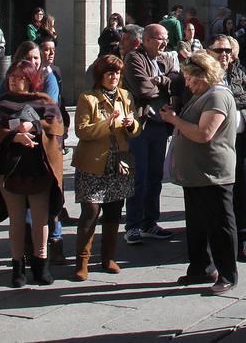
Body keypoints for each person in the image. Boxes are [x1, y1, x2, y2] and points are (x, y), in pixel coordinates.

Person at [0, 59, 66, 287]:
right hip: (10, 169)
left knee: (40, 219)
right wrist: (13, 136)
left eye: (21, 78)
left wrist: (33, 127)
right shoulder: (3, 103)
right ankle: (17, 266)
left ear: (31, 79)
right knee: (16, 219)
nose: (15, 82)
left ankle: (41, 264)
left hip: (38, 167)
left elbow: (55, 126)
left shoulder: (44, 101)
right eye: (12, 77)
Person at [158, 51, 239, 295]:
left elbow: (204, 134)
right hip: (195, 173)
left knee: (219, 225)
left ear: (205, 75)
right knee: (197, 225)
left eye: (192, 79)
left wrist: (174, 120)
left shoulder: (217, 96)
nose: (188, 84)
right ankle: (201, 267)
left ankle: (227, 273)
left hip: (213, 173)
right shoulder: (202, 94)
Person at [72, 54, 140, 280]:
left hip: (119, 162)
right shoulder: (87, 98)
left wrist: (132, 125)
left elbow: (135, 128)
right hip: (93, 163)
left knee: (113, 211)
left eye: (117, 73)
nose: (114, 77)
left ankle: (108, 257)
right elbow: (82, 131)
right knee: (90, 211)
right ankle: (82, 261)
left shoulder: (125, 96)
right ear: (100, 75)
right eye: (109, 73)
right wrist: (108, 124)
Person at [123, 23, 175, 245]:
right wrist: (164, 85)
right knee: (139, 176)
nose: (164, 43)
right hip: (140, 125)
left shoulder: (163, 60)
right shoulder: (134, 58)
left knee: (155, 176)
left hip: (160, 124)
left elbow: (177, 83)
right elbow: (142, 89)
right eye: (159, 38)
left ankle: (150, 222)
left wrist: (161, 81)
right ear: (146, 40)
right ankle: (133, 225)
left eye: (166, 38)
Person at [215, 36, 246, 261]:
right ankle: (223, 241)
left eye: (228, 50)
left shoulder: (237, 72)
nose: (225, 54)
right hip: (218, 144)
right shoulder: (207, 74)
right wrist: (233, 97)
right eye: (220, 50)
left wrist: (229, 98)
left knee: (243, 192)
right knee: (223, 194)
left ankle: (244, 239)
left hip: (244, 140)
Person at [39, 36, 72, 264]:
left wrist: (64, 124)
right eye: (45, 50)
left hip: (53, 135)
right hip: (37, 135)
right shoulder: (31, 75)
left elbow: (56, 104)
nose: (50, 53)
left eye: (52, 50)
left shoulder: (55, 72)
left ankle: (56, 239)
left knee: (53, 187)